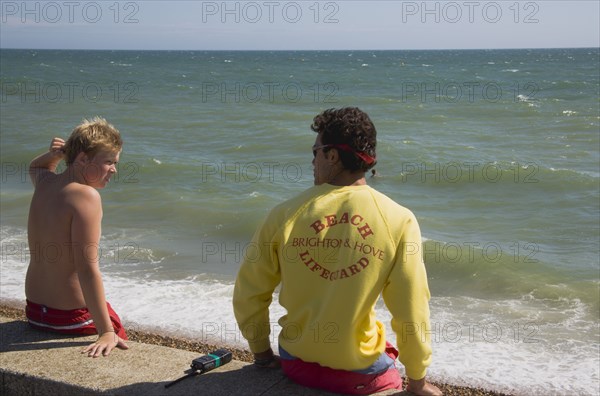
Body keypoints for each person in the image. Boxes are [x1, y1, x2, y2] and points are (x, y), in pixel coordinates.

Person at [233, 107, 441, 395]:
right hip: (361, 375)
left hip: (297, 363)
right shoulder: (398, 219)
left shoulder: (284, 214)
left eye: (316, 150)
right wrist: (417, 381)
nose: (312, 159)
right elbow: (412, 309)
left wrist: (262, 355)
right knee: (382, 345)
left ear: (332, 155)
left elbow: (249, 292)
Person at [25, 117, 129, 358]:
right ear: (83, 159)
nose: (114, 169)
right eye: (109, 162)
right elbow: (86, 269)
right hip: (69, 319)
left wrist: (59, 154)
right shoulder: (86, 196)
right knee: (118, 332)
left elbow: (36, 167)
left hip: (35, 314)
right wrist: (105, 331)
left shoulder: (45, 183)